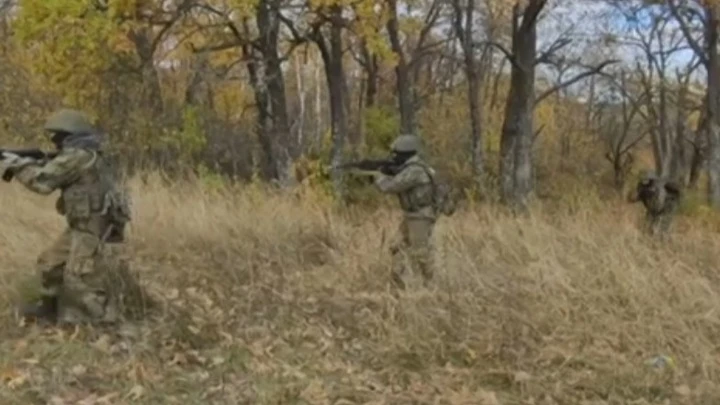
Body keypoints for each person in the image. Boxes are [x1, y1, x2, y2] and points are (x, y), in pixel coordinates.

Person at [0, 108, 133, 325]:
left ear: (70, 135)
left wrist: (15, 164)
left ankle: (99, 324)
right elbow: (53, 168)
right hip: (81, 225)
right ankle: (48, 310)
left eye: (58, 138)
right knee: (49, 263)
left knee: (81, 277)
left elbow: (42, 182)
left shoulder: (79, 157)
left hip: (92, 228)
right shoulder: (88, 153)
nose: (55, 143)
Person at [373, 134, 440, 289]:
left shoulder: (415, 170)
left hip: (421, 216)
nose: (394, 156)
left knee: (421, 252)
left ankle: (431, 286)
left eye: (396, 153)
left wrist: (379, 176)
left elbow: (389, 187)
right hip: (411, 215)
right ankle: (397, 284)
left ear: (405, 153)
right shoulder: (408, 168)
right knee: (396, 246)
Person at [628, 171, 681, 235]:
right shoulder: (643, 190)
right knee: (647, 226)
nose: (647, 185)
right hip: (654, 208)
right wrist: (638, 191)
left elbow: (659, 205)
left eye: (648, 181)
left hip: (667, 207)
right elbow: (631, 199)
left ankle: (661, 239)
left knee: (663, 228)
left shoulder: (659, 188)